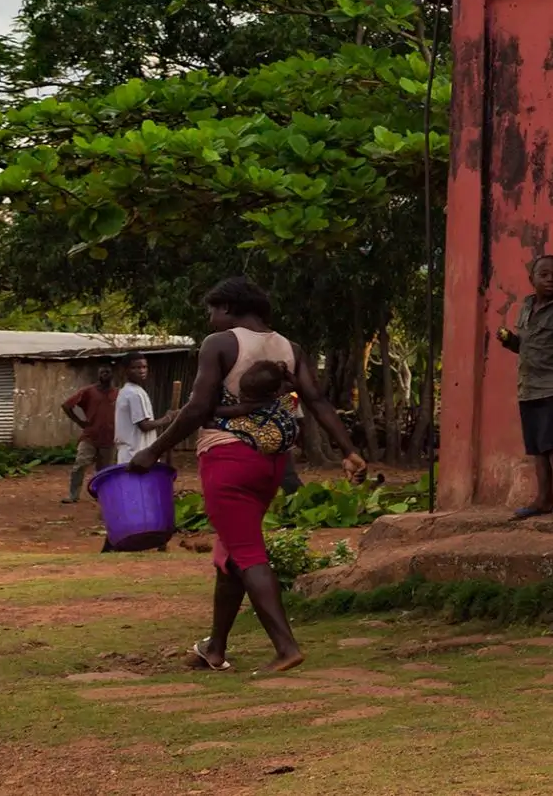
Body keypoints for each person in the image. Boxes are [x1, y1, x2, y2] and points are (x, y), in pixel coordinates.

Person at [127, 276, 368, 674]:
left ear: (227, 307)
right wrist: (350, 450)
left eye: (211, 311)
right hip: (271, 464)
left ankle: (286, 647)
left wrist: (151, 451)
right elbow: (318, 401)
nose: (209, 319)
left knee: (246, 553)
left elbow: (196, 407)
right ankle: (215, 647)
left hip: (228, 460)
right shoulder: (290, 348)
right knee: (231, 552)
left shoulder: (220, 344)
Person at [497, 254, 553, 520]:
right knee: (536, 445)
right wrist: (509, 341)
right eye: (544, 275)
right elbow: (523, 347)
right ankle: (542, 498)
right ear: (531, 279)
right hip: (528, 386)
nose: (551, 280)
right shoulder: (524, 309)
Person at [214, 362, 302, 455]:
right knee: (286, 401)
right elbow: (295, 384)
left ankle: (218, 423)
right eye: (242, 390)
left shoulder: (251, 405)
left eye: (247, 395)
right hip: (290, 431)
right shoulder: (278, 393)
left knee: (232, 421)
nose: (242, 395)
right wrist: (284, 371)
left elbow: (232, 410)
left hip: (271, 439)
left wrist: (212, 412)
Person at [61, 365, 119, 504]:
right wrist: (80, 422)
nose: (105, 374)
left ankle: (102, 495)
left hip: (110, 437)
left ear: (113, 375)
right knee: (80, 464)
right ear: (98, 375)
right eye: (102, 372)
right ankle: (73, 495)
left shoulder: (118, 394)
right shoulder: (89, 391)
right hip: (90, 436)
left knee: (105, 470)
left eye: (108, 372)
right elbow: (66, 405)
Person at [113, 356, 158, 464]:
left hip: (132, 453)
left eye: (144, 367)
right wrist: (168, 418)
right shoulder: (134, 393)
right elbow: (144, 426)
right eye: (136, 368)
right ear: (125, 370)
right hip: (136, 454)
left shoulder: (129, 391)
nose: (141, 371)